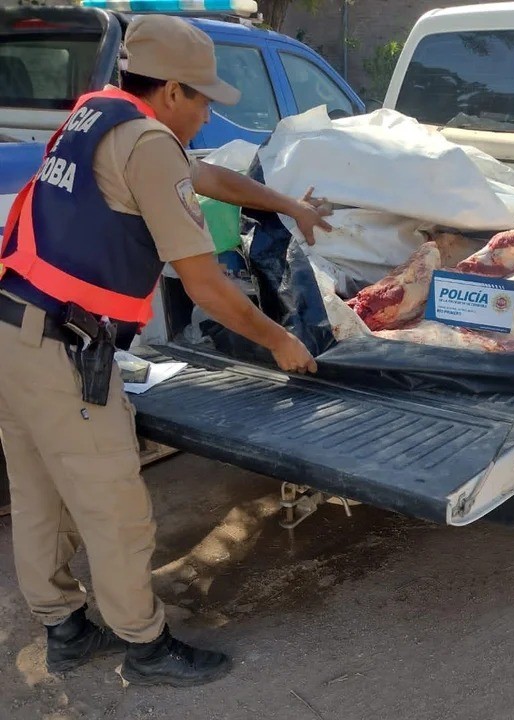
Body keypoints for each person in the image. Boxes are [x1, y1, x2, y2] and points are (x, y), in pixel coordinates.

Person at [0, 14, 332, 687]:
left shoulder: (99, 115)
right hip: (62, 348)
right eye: (204, 98)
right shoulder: (149, 142)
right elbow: (205, 285)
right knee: (114, 506)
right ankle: (146, 646)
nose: (209, 114)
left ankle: (64, 628)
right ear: (173, 90)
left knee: (39, 494)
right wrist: (280, 340)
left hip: (13, 331)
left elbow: (204, 176)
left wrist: (287, 206)